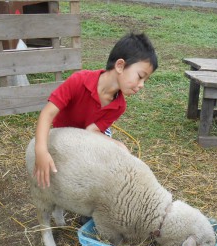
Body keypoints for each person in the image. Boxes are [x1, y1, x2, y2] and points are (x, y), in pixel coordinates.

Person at [33, 32, 158, 188]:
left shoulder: (119, 106)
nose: (141, 85)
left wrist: (118, 146)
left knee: (103, 168)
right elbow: (47, 113)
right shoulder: (78, 81)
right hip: (64, 135)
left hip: (88, 136)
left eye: (145, 80)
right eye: (140, 76)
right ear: (120, 66)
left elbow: (91, 131)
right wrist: (41, 151)